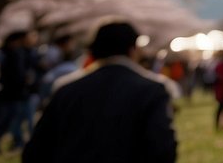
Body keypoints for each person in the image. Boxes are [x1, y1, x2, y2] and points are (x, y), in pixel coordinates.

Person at [22, 19, 177, 163]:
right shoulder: (151, 90)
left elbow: (36, 150)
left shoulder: (66, 89)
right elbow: (162, 149)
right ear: (133, 49)